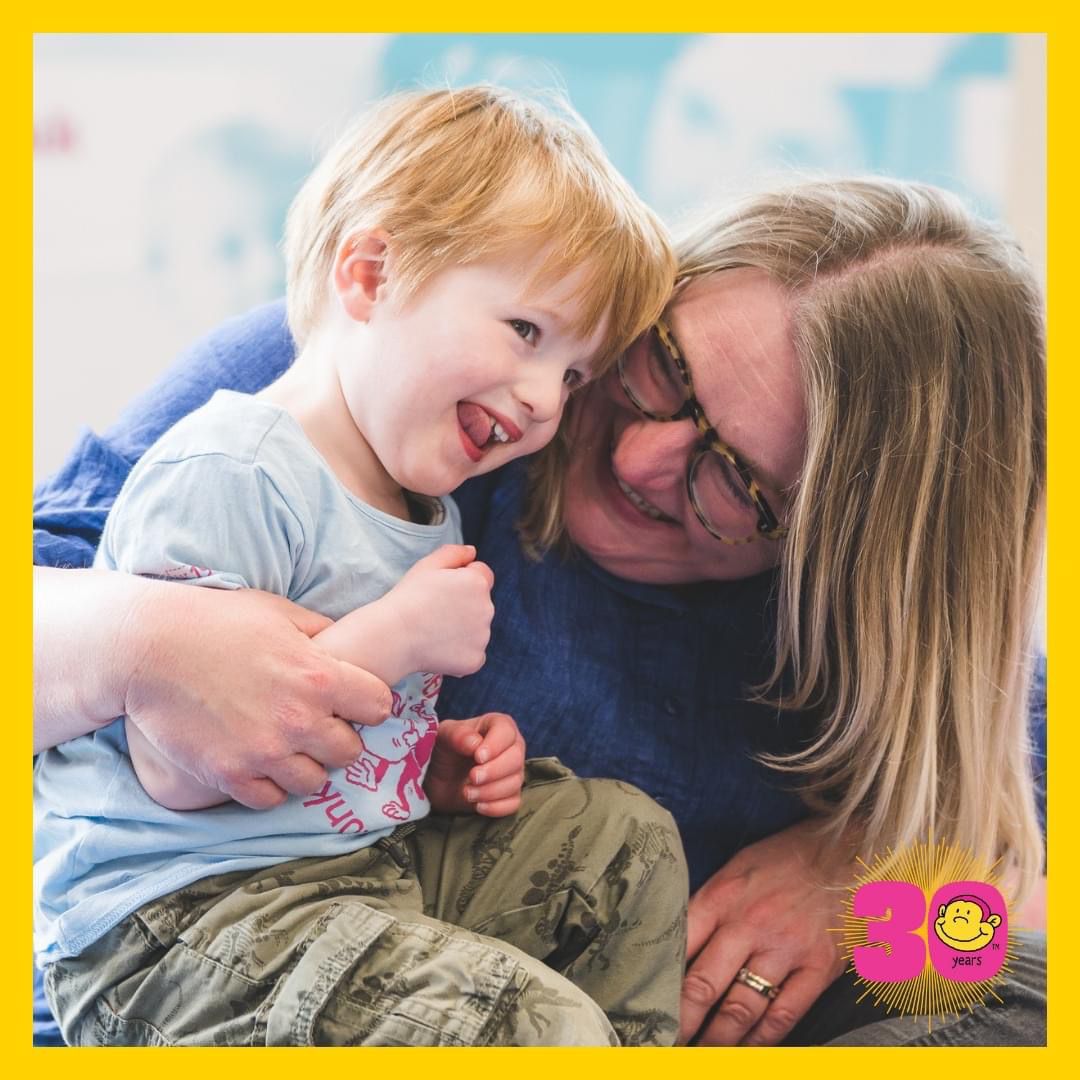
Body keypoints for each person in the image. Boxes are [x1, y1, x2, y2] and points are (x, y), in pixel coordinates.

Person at [35, 176, 1047, 1046]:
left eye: (736, 479)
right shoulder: (393, 383)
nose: (640, 456)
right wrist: (141, 640)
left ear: (845, 555)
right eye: (665, 368)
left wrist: (870, 885)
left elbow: (994, 864)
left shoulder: (877, 649)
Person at [34, 85, 687, 1047]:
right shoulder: (236, 469)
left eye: (574, 374)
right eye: (527, 332)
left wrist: (428, 769)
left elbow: (342, 756)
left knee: (625, 843)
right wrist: (397, 638)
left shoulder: (422, 500)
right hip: (175, 928)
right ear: (371, 275)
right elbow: (174, 771)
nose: (547, 400)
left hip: (354, 877)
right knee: (535, 1025)